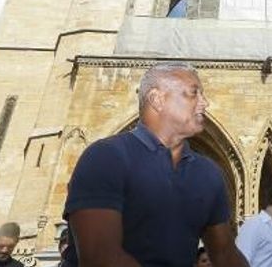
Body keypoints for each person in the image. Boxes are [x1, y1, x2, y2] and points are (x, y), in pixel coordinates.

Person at [62, 62, 249, 267]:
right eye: (193, 94)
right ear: (157, 100)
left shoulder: (208, 173)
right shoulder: (107, 157)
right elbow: (101, 258)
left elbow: (225, 254)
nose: (205, 103)